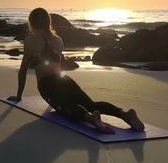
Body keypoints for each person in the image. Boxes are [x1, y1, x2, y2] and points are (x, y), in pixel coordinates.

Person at [8, 7, 144, 134]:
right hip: (64, 80)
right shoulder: (58, 40)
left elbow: (23, 70)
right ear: (48, 22)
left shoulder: (30, 41)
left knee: (67, 105)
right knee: (91, 104)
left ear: (32, 23)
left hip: (46, 85)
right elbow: (59, 67)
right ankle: (124, 114)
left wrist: (19, 96)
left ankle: (91, 119)